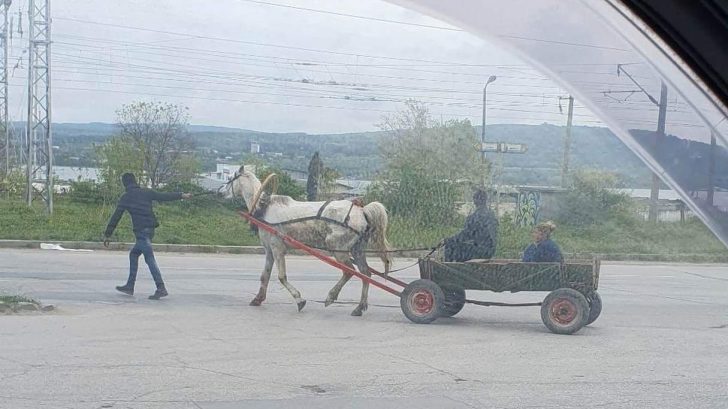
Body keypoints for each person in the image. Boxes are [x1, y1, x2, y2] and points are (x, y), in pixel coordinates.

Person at [103, 173, 192, 300]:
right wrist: (182, 195)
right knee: (134, 254)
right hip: (150, 230)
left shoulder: (126, 197)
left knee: (149, 258)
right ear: (135, 181)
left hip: (141, 232)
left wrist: (108, 234)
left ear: (124, 184)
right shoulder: (146, 192)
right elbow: (164, 196)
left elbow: (116, 216)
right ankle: (130, 286)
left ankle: (160, 287)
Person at [442, 189, 498, 262]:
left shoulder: (475, 217)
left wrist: (448, 240)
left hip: (481, 251)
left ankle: (450, 267)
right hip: (490, 251)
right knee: (462, 246)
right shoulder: (491, 215)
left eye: (475, 199)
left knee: (450, 245)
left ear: (476, 200)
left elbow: (465, 235)